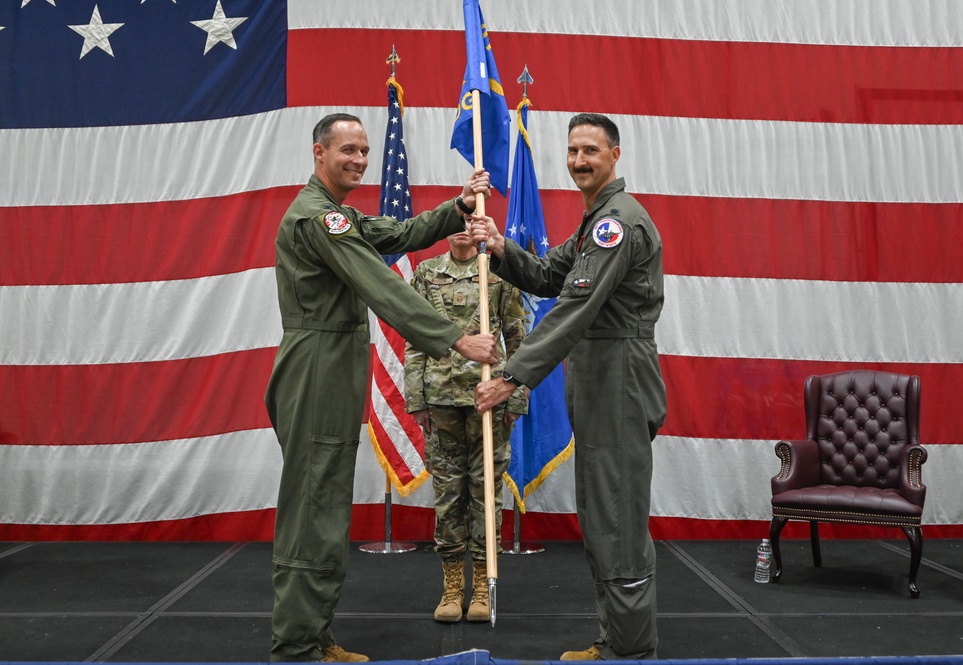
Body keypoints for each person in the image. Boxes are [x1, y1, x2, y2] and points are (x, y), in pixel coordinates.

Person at [264, 113, 499, 663]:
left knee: (324, 504)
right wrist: (455, 340)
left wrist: (459, 207)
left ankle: (314, 637)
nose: (360, 160)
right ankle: (297, 647)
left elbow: (399, 235)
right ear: (318, 153)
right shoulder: (319, 220)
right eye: (348, 149)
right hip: (317, 365)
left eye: (365, 151)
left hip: (334, 362)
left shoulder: (337, 215)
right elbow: (378, 285)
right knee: (312, 507)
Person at [473, 113, 666, 660]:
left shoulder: (617, 223)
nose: (579, 160)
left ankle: (627, 651)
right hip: (601, 378)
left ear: (615, 155)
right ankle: (617, 640)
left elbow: (575, 307)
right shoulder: (594, 221)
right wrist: (500, 247)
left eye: (591, 151)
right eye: (573, 150)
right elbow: (547, 277)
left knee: (617, 520)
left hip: (619, 379)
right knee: (602, 512)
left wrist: (512, 376)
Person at [404, 228, 529, 624]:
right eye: (457, 220)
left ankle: (482, 586)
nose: (463, 228)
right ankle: (452, 586)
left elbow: (518, 337)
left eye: (472, 219)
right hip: (440, 401)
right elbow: (415, 336)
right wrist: (416, 399)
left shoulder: (498, 274)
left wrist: (516, 396)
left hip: (488, 400)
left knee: (485, 491)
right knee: (448, 494)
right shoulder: (426, 273)